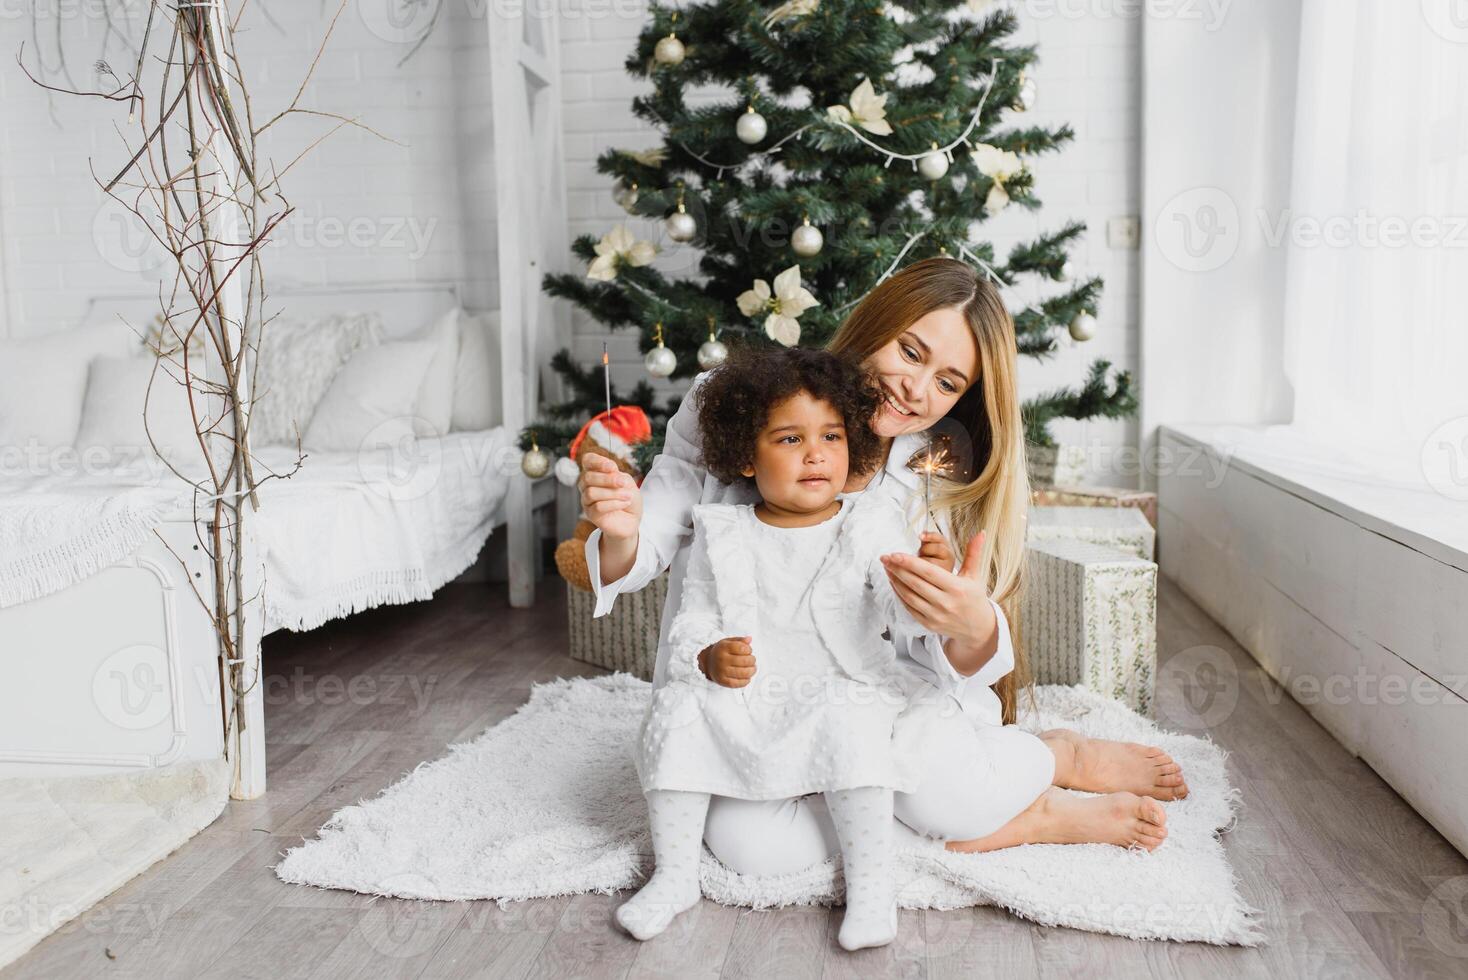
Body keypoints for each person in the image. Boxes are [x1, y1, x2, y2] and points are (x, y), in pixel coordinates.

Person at [583, 256, 1185, 880]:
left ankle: (1052, 758)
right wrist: (621, 529)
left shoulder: (934, 468)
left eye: (948, 383)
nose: (916, 390)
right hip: (752, 700)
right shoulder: (737, 401)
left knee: (952, 800)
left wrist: (969, 624)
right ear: (876, 325)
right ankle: (1018, 821)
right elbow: (646, 539)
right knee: (753, 851)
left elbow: (928, 648)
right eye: (910, 351)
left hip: (873, 695)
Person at [614, 348, 957, 950]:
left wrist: (928, 581)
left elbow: (901, 612)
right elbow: (694, 620)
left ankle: (872, 887)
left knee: (853, 724)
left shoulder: (868, 524)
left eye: (831, 435)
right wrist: (708, 656)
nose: (816, 453)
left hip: (836, 686)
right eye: (790, 439)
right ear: (746, 457)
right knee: (680, 712)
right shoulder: (724, 531)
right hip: (750, 693)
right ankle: (674, 876)